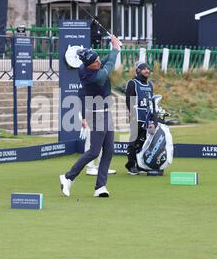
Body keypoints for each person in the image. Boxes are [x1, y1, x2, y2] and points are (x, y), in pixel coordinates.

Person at [60, 35, 121, 198]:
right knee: (94, 152)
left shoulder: (90, 66)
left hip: (105, 112)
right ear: (89, 65)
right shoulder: (93, 76)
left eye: (98, 59)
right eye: (95, 62)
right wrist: (115, 49)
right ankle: (68, 177)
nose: (98, 62)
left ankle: (100, 187)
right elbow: (108, 68)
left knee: (109, 150)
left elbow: (106, 60)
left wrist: (115, 48)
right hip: (96, 115)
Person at [125, 61, 154, 175]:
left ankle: (140, 165)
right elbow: (129, 100)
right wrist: (132, 115)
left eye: (148, 68)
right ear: (138, 71)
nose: (147, 70)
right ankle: (131, 165)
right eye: (144, 69)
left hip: (147, 117)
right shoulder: (133, 83)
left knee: (143, 142)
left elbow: (151, 101)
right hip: (136, 117)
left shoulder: (150, 85)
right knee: (133, 142)